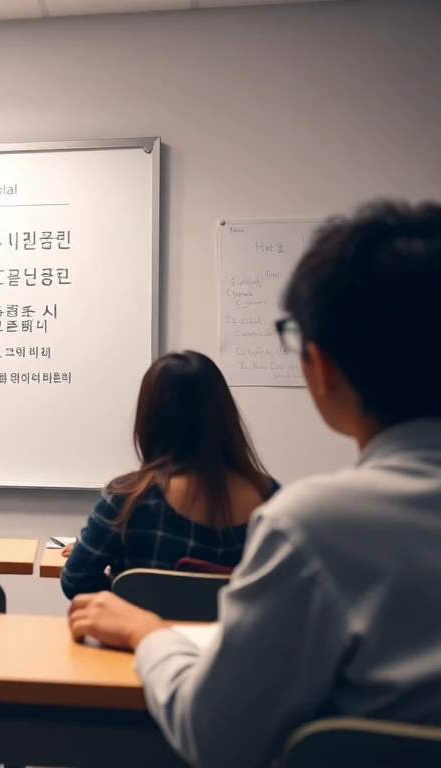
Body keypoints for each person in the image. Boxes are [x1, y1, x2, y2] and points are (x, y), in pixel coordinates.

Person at [69, 201, 441, 768]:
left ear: (321, 368)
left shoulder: (311, 526)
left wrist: (150, 631)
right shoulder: (273, 495)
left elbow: (219, 739)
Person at [59, 351, 279, 598]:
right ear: (224, 415)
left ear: (150, 417)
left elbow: (75, 581)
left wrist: (121, 587)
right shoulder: (273, 500)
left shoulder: (127, 501)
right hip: (236, 637)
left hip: (137, 637)